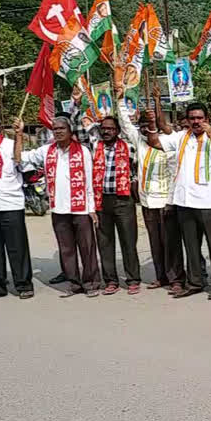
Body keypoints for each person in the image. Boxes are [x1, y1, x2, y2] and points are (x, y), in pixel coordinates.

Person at [144, 102, 211, 300]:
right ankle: (195, 282)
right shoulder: (180, 138)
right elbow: (155, 143)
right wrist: (152, 124)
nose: (196, 122)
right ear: (187, 120)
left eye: (200, 118)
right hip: (185, 202)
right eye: (192, 118)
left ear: (207, 120)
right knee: (191, 246)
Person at [15, 115, 101, 297]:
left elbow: (89, 180)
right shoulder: (46, 151)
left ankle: (91, 282)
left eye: (62, 128)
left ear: (70, 131)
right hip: (58, 209)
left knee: (87, 247)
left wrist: (92, 208)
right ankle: (75, 283)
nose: (58, 131)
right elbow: (19, 159)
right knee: (66, 249)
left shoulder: (83, 151)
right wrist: (19, 134)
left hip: (81, 208)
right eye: (55, 129)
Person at [117, 89, 185, 294]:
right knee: (155, 243)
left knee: (170, 243)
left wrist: (157, 102)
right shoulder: (140, 144)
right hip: (147, 204)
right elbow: (126, 124)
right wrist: (120, 99)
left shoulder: (170, 144)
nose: (147, 131)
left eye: (151, 128)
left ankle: (176, 279)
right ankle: (161, 277)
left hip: (166, 202)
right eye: (144, 128)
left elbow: (164, 126)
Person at [90, 115, 141, 295]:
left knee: (128, 241)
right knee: (105, 242)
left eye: (110, 128)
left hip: (123, 200)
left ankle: (133, 279)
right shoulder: (95, 147)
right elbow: (81, 131)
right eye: (103, 128)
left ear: (117, 131)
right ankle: (111, 280)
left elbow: (135, 169)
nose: (106, 131)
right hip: (101, 200)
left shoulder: (129, 148)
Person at [0, 112, 34, 299]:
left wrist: (19, 135)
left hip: (10, 202)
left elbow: (21, 164)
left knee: (17, 246)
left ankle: (23, 283)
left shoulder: (10, 146)